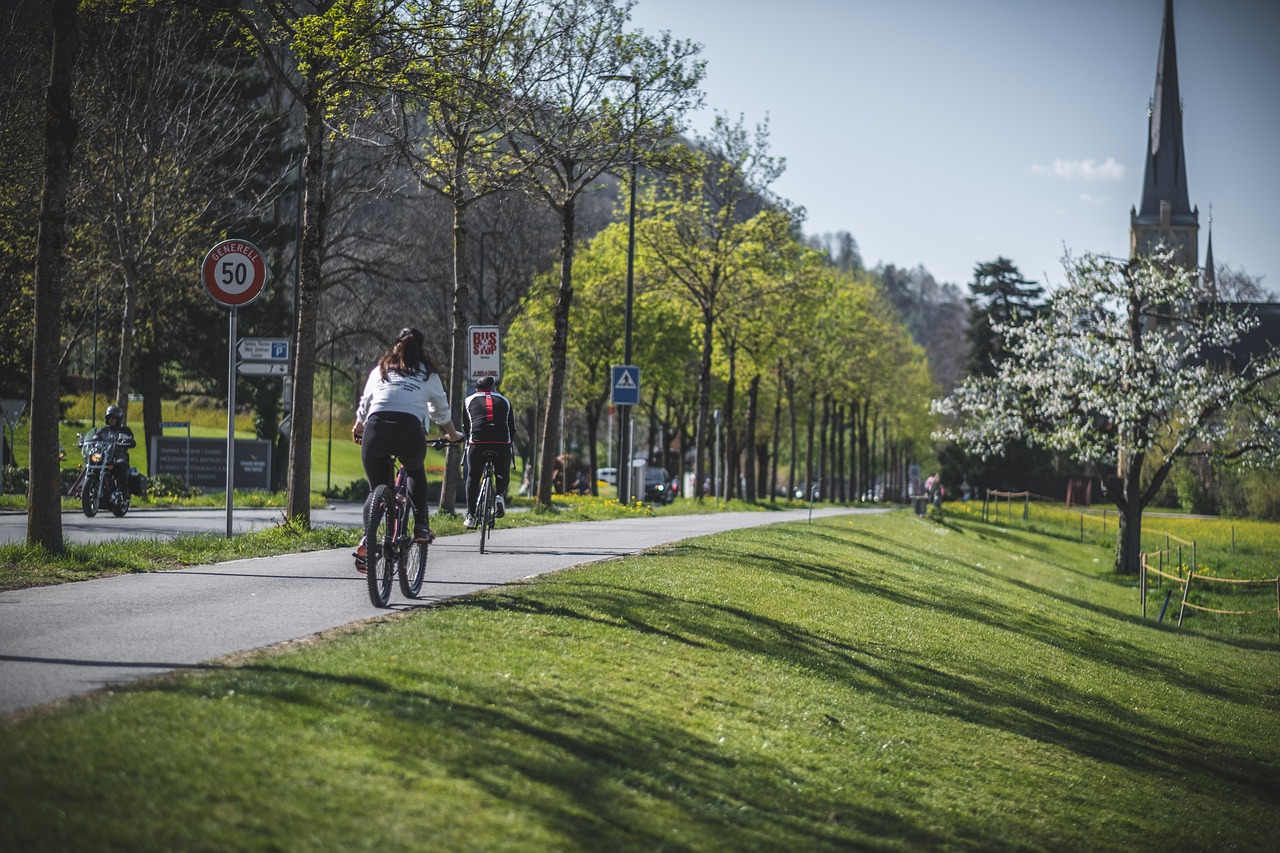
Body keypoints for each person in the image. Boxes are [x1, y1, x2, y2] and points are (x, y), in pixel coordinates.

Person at [352, 327, 462, 570]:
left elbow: (366, 404)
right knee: (414, 470)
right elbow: (441, 412)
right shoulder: (427, 374)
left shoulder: (380, 369)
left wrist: (358, 428)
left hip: (376, 429)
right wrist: (453, 435)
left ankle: (367, 538)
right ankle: (421, 525)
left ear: (396, 346)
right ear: (420, 348)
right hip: (409, 431)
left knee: (376, 490)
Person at [461, 375, 515, 529]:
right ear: (494, 388)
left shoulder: (468, 400)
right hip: (501, 442)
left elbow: (467, 426)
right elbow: (512, 428)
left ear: (476, 389)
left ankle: (470, 515)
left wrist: (469, 441)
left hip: (478, 442)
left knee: (473, 475)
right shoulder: (505, 401)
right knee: (503, 472)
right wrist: (509, 444)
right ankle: (499, 495)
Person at [92, 405, 136, 501]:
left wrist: (127, 442)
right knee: (92, 463)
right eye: (109, 418)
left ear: (118, 419)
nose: (111, 420)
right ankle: (89, 489)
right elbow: (94, 439)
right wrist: (89, 443)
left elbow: (132, 441)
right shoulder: (103, 431)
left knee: (121, 464)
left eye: (114, 418)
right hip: (104, 458)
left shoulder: (125, 430)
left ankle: (125, 493)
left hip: (118, 458)